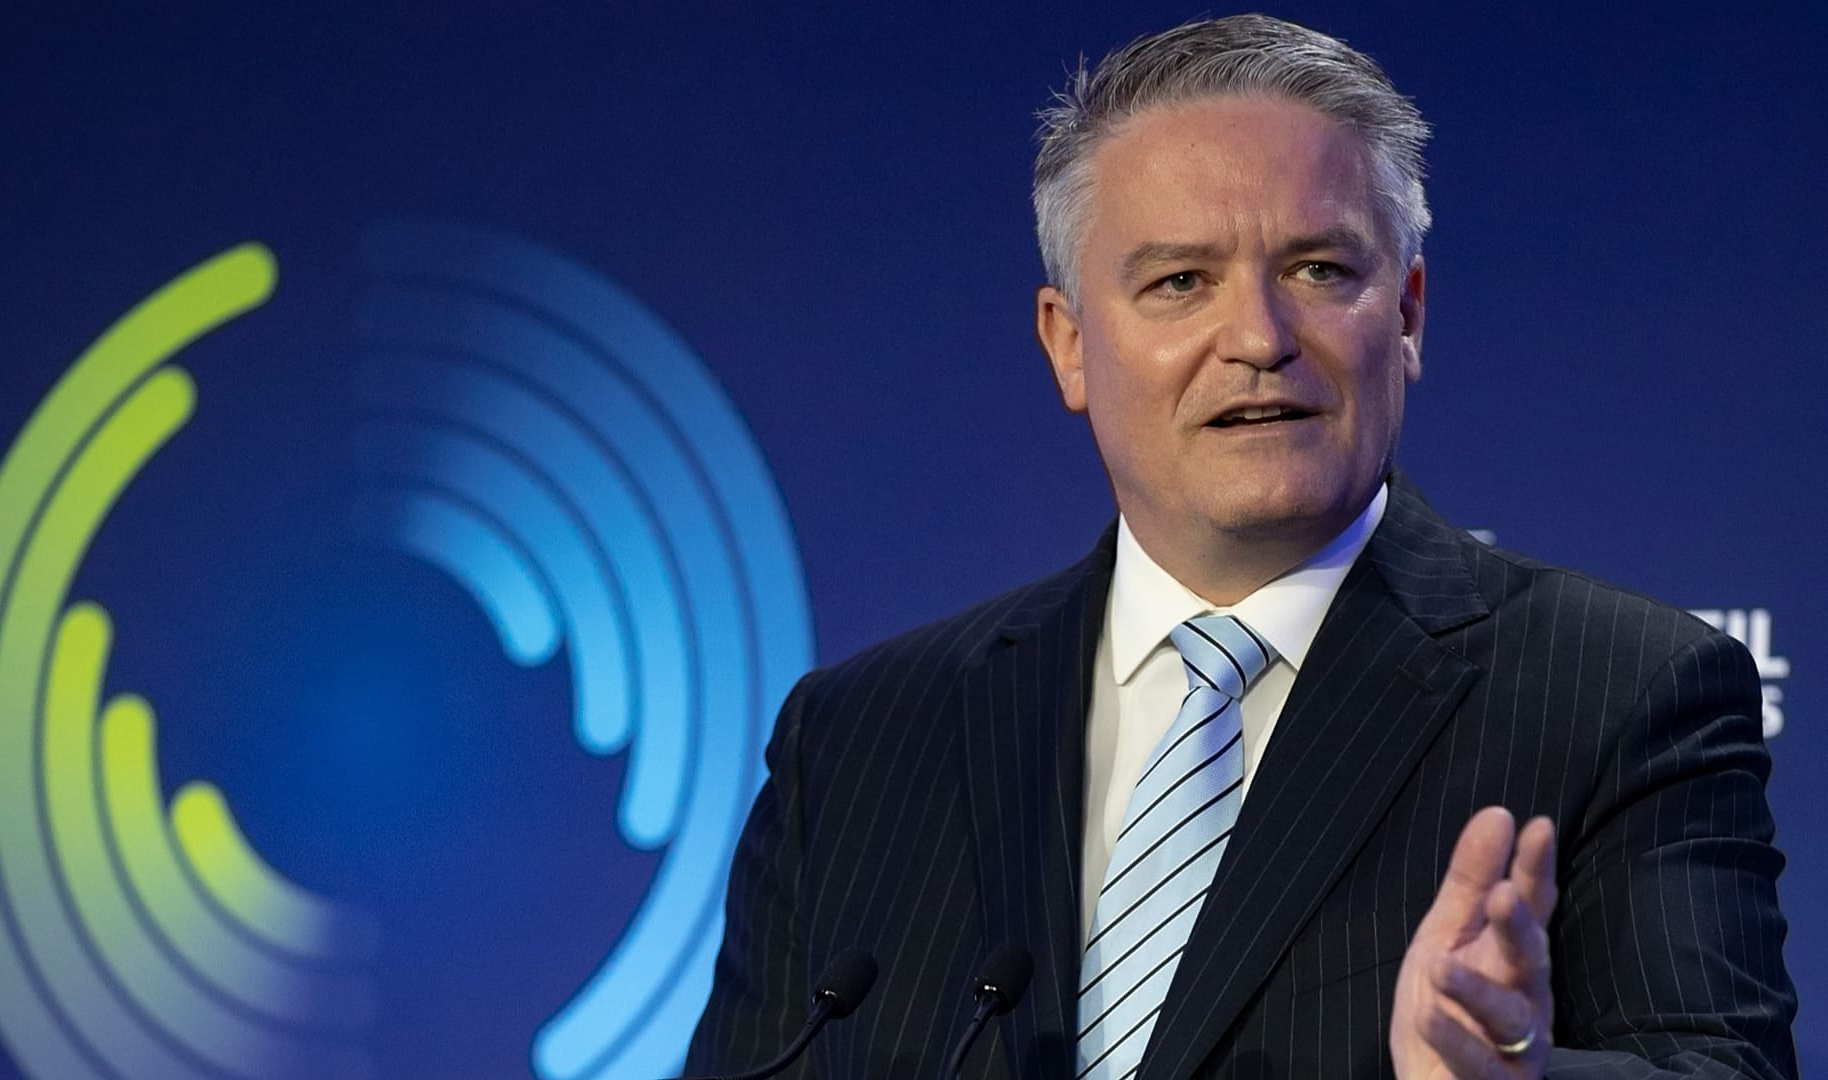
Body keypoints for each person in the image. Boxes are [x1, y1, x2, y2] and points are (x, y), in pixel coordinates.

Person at [686, 13, 1797, 1078]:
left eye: (1321, 270)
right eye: (1180, 282)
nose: (1260, 338)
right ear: (1069, 346)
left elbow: (1712, 1064)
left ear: (1406, 315)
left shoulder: (1620, 690)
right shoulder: (858, 741)